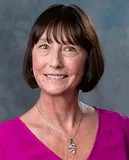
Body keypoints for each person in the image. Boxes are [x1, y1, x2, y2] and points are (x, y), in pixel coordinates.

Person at [0, 4, 129, 160]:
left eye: (69, 48)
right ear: (31, 56)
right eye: (44, 46)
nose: (55, 62)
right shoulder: (5, 141)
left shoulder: (122, 129)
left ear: (88, 58)